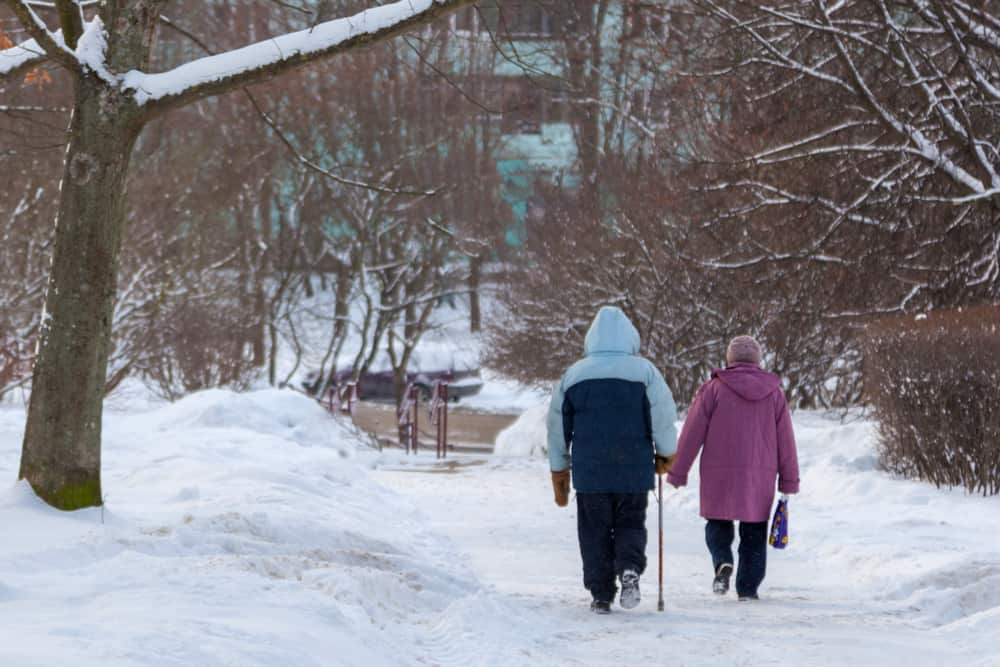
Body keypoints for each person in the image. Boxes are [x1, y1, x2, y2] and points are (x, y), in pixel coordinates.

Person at [547, 306, 678, 614]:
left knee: (594, 530)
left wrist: (559, 469)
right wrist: (666, 452)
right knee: (631, 522)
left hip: (590, 471)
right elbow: (662, 416)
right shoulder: (645, 372)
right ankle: (629, 566)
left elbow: (556, 427)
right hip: (633, 468)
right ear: (630, 337)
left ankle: (601, 593)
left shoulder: (574, 375)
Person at [667, 336, 799, 601]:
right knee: (754, 532)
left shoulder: (713, 389)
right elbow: (786, 439)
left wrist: (678, 470)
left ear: (729, 359)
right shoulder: (774, 394)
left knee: (717, 523)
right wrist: (789, 480)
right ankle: (748, 588)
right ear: (758, 361)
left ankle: (722, 561)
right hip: (758, 475)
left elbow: (692, 433)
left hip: (719, 472)